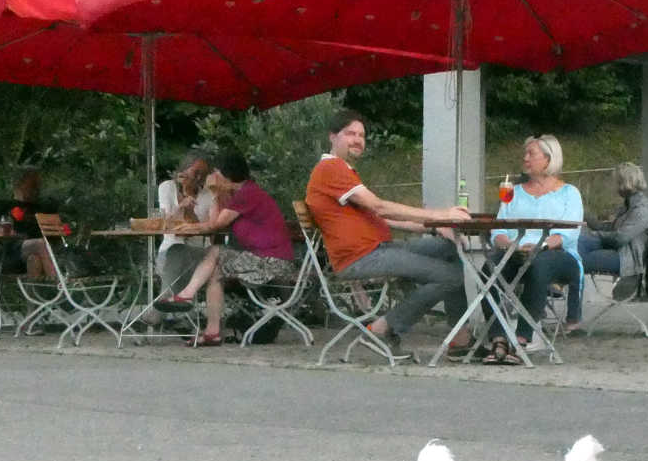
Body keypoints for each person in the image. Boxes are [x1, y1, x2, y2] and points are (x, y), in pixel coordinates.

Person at [304, 108, 472, 354]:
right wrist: (441, 214)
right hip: (360, 258)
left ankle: (460, 336)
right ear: (333, 137)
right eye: (350, 133)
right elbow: (379, 206)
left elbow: (382, 217)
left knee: (450, 247)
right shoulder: (331, 169)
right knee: (450, 276)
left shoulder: (343, 171)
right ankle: (384, 328)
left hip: (379, 249)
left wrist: (435, 227)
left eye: (361, 135)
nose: (358, 140)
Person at [159, 153, 297, 347]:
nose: (211, 176)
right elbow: (216, 222)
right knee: (216, 270)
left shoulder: (247, 194)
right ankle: (212, 332)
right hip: (265, 260)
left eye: (215, 172)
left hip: (272, 264)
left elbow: (215, 225)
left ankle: (186, 295)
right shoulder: (242, 194)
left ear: (226, 174)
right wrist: (215, 196)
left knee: (216, 251)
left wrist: (190, 227)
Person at [483, 134, 584, 364]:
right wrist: (509, 245)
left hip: (557, 255)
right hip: (516, 252)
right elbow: (498, 229)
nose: (525, 158)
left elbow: (569, 233)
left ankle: (521, 339)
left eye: (531, 154)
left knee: (538, 263)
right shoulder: (513, 192)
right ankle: (498, 339)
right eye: (525, 154)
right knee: (489, 268)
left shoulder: (570, 193)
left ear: (548, 160)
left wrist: (541, 245)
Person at [578, 161, 648, 302]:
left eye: (616, 183)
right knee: (578, 242)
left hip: (628, 259)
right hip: (621, 252)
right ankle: (557, 284)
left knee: (575, 259)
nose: (614, 187)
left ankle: (563, 294)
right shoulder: (629, 205)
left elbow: (620, 238)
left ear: (625, 183)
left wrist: (596, 234)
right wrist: (583, 212)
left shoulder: (642, 209)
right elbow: (609, 229)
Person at [154, 151, 216, 299]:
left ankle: (163, 305)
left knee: (179, 250)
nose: (199, 177)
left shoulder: (209, 195)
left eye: (203, 174)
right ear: (185, 169)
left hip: (198, 256)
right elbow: (166, 223)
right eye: (196, 172)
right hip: (168, 254)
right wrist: (181, 205)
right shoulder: (167, 187)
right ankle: (172, 301)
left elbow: (210, 228)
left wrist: (190, 210)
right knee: (176, 249)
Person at [0, 167, 57, 278]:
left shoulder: (41, 207)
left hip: (35, 253)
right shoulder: (4, 205)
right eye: (32, 185)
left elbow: (58, 233)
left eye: (37, 185)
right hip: (11, 254)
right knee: (40, 244)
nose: (36, 189)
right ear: (19, 184)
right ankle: (60, 284)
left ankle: (37, 291)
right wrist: (2, 230)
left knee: (34, 259)